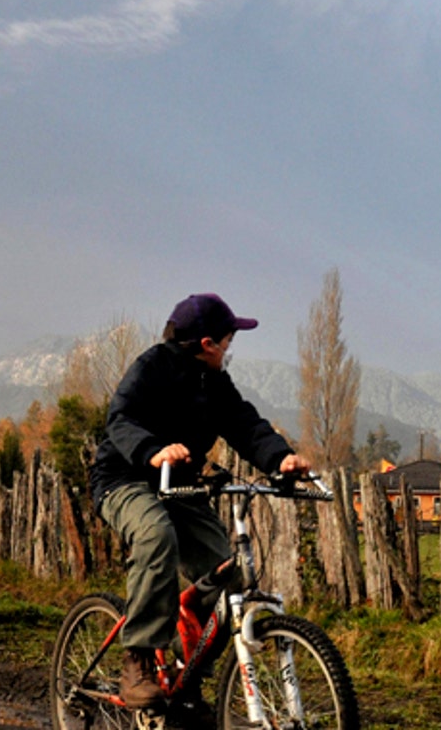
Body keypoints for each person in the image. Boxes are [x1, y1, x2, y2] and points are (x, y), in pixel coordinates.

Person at [89, 293, 309, 712]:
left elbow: (246, 425)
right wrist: (153, 449)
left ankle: (185, 673)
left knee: (226, 575)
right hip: (125, 479)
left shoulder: (215, 384)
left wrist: (281, 459)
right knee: (156, 537)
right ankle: (137, 658)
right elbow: (120, 417)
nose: (230, 349)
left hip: (181, 487)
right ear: (208, 344)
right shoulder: (152, 367)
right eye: (229, 341)